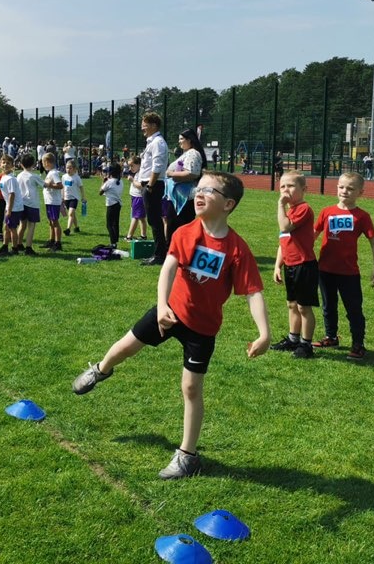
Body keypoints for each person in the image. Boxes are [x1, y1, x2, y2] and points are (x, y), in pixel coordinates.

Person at [72, 172, 270, 479]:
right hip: (170, 312)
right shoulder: (185, 231)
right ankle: (100, 370)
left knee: (191, 388)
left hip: (202, 328)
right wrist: (163, 305)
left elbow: (253, 292)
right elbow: (168, 269)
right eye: (198, 188)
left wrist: (264, 333)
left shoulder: (236, 249)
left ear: (228, 204)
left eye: (209, 190)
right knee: (125, 347)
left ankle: (187, 455)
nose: (199, 193)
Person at [312, 173, 374, 359]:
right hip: (325, 270)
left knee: (354, 309)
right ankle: (331, 336)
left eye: (350, 188)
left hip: (349, 272)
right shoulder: (326, 212)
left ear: (360, 192)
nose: (345, 191)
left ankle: (358, 344)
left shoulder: (362, 216)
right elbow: (312, 236)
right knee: (328, 306)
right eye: (341, 187)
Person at [270, 171, 319, 359]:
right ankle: (293, 339)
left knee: (304, 307)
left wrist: (280, 205)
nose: (285, 190)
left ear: (303, 189)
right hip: (290, 264)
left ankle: (306, 344)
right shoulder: (288, 211)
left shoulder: (303, 209)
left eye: (290, 186)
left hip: (304, 265)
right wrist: (277, 265)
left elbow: (285, 227)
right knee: (292, 304)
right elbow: (283, 240)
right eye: (282, 186)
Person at [165, 128, 207, 242]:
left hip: (185, 198)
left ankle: (177, 250)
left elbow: (192, 173)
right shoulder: (187, 153)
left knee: (179, 228)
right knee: (173, 227)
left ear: (189, 140)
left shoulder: (193, 153)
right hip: (179, 198)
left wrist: (171, 174)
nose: (179, 141)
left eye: (181, 139)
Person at [139, 112, 168, 266]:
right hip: (150, 184)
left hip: (153, 185)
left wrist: (150, 185)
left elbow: (157, 165)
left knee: (155, 220)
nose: (142, 127)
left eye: (145, 124)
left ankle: (160, 254)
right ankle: (159, 253)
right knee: (153, 219)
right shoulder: (152, 142)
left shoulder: (158, 142)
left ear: (154, 125)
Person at [0, 154, 23, 255]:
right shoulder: (3, 177)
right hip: (9, 206)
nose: (5, 165)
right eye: (3, 162)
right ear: (0, 164)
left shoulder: (10, 179)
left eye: (8, 163)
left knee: (12, 228)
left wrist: (9, 210)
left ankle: (15, 249)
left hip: (14, 207)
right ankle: (5, 246)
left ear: (12, 165)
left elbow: (12, 194)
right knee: (6, 227)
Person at [16, 153, 42, 256]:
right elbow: (45, 185)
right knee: (31, 225)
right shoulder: (34, 176)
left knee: (22, 224)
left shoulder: (19, 175)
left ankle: (18, 244)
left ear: (21, 164)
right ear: (33, 164)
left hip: (22, 203)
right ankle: (28, 247)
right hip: (32, 203)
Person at [41, 153, 64, 251]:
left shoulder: (54, 173)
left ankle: (58, 243)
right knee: (51, 222)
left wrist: (49, 185)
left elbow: (60, 185)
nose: (43, 165)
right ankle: (51, 240)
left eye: (43, 162)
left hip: (54, 202)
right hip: (49, 201)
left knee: (55, 222)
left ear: (47, 162)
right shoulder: (50, 173)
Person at [99, 162, 123, 247]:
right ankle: (115, 241)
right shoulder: (120, 181)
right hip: (118, 204)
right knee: (115, 223)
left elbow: (100, 192)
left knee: (109, 224)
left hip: (111, 204)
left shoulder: (109, 182)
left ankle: (113, 243)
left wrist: (103, 182)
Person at [125, 156, 148, 241]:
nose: (130, 168)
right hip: (136, 197)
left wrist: (132, 180)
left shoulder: (141, 173)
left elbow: (141, 186)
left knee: (135, 217)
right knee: (141, 218)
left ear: (139, 164)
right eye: (129, 166)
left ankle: (129, 236)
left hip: (138, 198)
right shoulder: (138, 172)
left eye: (132, 165)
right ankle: (143, 235)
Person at [62, 158, 86, 237]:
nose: (68, 170)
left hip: (74, 198)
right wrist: (62, 197)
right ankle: (76, 227)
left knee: (71, 213)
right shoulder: (64, 177)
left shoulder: (77, 177)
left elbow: (81, 187)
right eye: (67, 168)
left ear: (74, 169)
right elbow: (63, 187)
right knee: (72, 214)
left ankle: (68, 229)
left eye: (70, 168)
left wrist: (83, 197)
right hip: (66, 198)